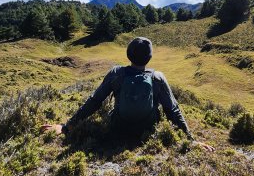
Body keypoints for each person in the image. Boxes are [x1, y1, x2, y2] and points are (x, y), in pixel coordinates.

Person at [41, 37, 214, 152]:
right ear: (149, 57)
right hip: (149, 132)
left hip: (118, 130)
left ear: (128, 54)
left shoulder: (116, 73)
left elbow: (95, 101)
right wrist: (190, 140)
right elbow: (173, 110)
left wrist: (66, 126)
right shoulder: (157, 77)